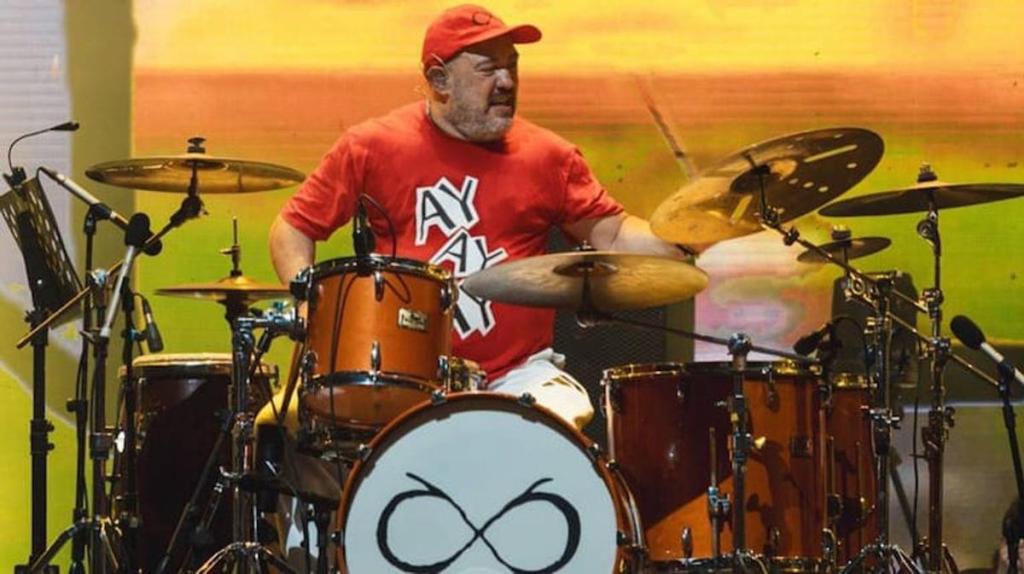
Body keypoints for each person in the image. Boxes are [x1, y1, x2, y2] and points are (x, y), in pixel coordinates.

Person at [266, 3, 686, 429]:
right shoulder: (371, 146)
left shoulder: (550, 156)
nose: (507, 82)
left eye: (512, 66)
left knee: (558, 417)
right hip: (401, 373)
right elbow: (293, 228)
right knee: (280, 426)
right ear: (439, 80)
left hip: (518, 374)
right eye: (488, 69)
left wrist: (688, 234)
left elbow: (612, 234)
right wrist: (308, 305)